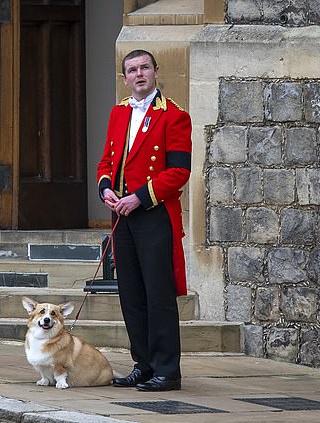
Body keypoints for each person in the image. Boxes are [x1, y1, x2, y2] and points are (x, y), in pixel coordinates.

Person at [96, 49, 191, 391]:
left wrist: (139, 196)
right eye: (132, 70)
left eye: (144, 68)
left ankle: (168, 369)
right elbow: (106, 161)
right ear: (124, 77)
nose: (139, 74)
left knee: (158, 294)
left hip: (153, 214)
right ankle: (144, 363)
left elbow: (180, 171)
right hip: (122, 215)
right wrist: (106, 189)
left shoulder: (174, 116)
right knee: (131, 293)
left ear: (155, 71)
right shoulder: (119, 112)